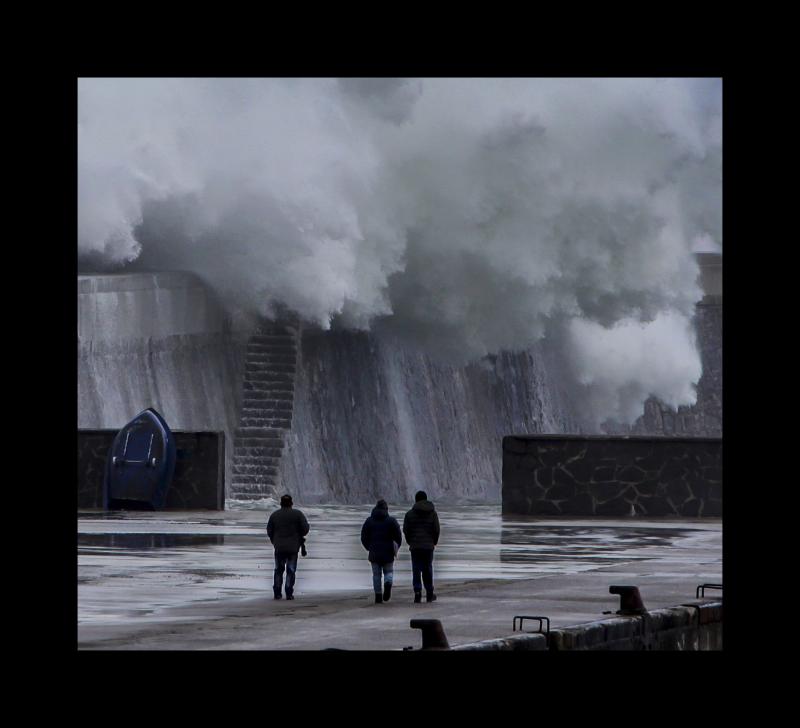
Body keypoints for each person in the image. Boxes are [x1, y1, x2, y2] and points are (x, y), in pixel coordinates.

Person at [266, 494, 310, 600]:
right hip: (293, 548)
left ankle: (277, 592)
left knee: (278, 569)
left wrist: (275, 541)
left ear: (281, 503)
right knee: (291, 570)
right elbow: (305, 529)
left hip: (279, 547)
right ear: (291, 503)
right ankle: (289, 592)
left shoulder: (275, 515)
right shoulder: (298, 514)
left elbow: (269, 530)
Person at [360, 499, 402, 604]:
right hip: (388, 551)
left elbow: (363, 536)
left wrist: (368, 547)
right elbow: (398, 536)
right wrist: (396, 547)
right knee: (388, 572)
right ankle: (388, 583)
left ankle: (378, 596)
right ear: (386, 509)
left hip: (374, 552)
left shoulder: (369, 521)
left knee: (376, 575)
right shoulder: (391, 521)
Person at [402, 490, 441, 603]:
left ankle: (417, 592)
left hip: (415, 546)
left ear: (416, 500)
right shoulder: (433, 513)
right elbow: (436, 530)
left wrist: (410, 542)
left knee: (416, 569)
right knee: (427, 568)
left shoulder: (409, 514)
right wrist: (434, 542)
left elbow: (406, 530)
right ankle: (429, 592)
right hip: (428, 546)